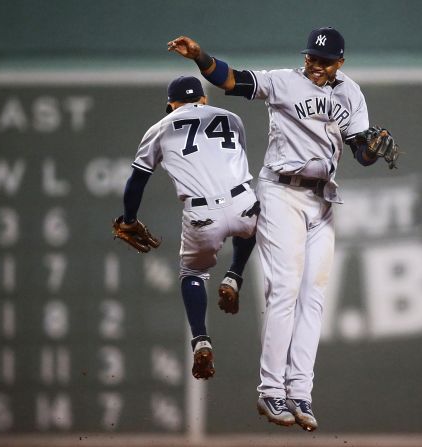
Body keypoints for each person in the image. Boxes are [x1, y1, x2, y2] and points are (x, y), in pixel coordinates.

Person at [168, 27, 397, 431]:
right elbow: (231, 80)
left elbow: (360, 152)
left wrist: (371, 148)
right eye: (311, 57)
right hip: (280, 192)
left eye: (324, 61)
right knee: (286, 289)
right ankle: (271, 390)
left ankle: (301, 393)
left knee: (314, 297)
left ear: (340, 62)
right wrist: (200, 57)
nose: (316, 65)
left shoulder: (351, 93)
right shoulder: (283, 82)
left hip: (323, 199)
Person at [117, 75, 260, 380]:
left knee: (193, 274)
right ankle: (234, 275)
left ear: (170, 105)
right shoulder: (232, 118)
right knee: (250, 220)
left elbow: (136, 181)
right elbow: (235, 163)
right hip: (242, 202)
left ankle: (200, 340)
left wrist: (129, 219)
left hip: (201, 213)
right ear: (204, 100)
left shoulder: (160, 128)